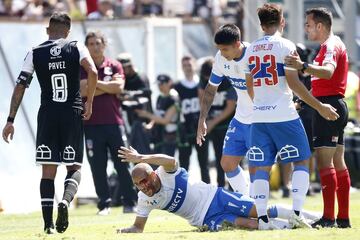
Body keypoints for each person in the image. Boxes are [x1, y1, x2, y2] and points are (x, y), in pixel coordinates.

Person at [244, 3, 339, 230]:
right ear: (282, 22)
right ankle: (296, 214)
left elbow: (250, 87)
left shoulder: (250, 50)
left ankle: (264, 220)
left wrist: (262, 103)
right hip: (284, 115)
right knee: (301, 161)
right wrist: (319, 107)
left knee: (261, 168)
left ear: (261, 24)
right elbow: (295, 84)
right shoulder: (286, 45)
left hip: (258, 117)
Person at [2, 12, 98, 234]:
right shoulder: (76, 47)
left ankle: (47, 226)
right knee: (74, 167)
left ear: (48, 30)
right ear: (68, 31)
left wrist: (10, 120)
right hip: (71, 113)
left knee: (48, 171)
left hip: (47, 115)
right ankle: (64, 201)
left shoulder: (35, 52)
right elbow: (92, 71)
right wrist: (89, 102)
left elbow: (20, 85)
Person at [117, 146, 320, 233]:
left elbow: (170, 159)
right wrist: (126, 230)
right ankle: (290, 227)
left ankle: (311, 217)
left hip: (215, 198)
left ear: (153, 175)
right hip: (205, 219)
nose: (144, 187)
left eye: (145, 180)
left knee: (259, 211)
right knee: (247, 225)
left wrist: (141, 158)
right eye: (139, 185)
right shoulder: (144, 199)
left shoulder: (165, 172)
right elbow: (138, 227)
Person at [285, 7, 351, 228]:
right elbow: (322, 83)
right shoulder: (331, 45)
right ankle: (342, 218)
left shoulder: (330, 45)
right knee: (338, 162)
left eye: (308, 25)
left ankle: (329, 218)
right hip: (334, 104)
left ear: (320, 26)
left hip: (328, 107)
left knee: (325, 163)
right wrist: (302, 101)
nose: (306, 28)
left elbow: (328, 72)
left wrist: (303, 66)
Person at [80, 31, 137, 215]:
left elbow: (118, 88)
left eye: (98, 43)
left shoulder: (115, 65)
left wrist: (94, 85)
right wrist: (107, 86)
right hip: (90, 123)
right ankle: (104, 205)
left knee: (123, 164)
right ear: (86, 46)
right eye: (91, 43)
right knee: (98, 166)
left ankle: (130, 202)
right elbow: (81, 90)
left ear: (104, 45)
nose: (95, 46)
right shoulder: (81, 66)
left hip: (114, 123)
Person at [197, 24, 252, 195]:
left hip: (262, 118)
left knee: (259, 167)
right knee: (227, 163)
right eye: (219, 49)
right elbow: (210, 89)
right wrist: (202, 119)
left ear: (237, 43)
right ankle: (249, 203)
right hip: (241, 118)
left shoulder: (253, 55)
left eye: (225, 49)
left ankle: (264, 209)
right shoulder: (220, 58)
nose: (221, 53)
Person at [198, 57, 236, 187]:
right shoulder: (203, 80)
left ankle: (234, 187)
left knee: (232, 156)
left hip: (228, 124)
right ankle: (220, 186)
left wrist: (213, 122)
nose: (209, 81)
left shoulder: (227, 80)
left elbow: (230, 106)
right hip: (212, 125)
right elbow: (202, 98)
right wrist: (204, 119)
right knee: (217, 156)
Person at [175, 55, 210, 183]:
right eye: (184, 65)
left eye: (189, 65)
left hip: (200, 128)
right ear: (181, 67)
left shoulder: (201, 84)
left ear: (194, 66)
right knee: (184, 164)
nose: (187, 68)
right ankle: (184, 189)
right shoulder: (177, 86)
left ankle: (208, 189)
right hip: (185, 129)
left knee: (204, 163)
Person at [135, 74, 179, 157]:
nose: (160, 86)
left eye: (162, 83)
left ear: (169, 83)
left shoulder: (173, 98)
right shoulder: (160, 97)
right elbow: (157, 115)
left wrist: (146, 114)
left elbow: (166, 120)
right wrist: (150, 125)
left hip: (170, 135)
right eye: (158, 84)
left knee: (167, 163)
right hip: (159, 135)